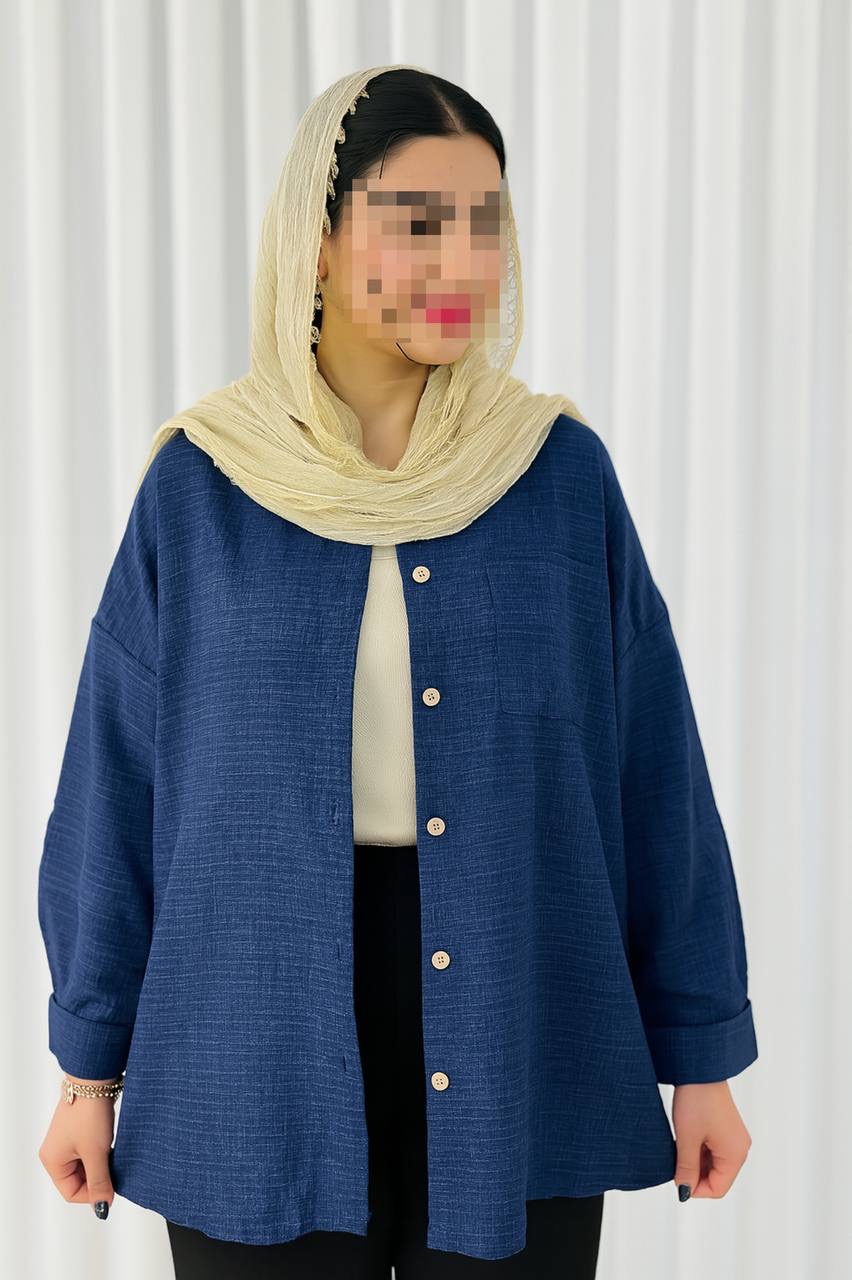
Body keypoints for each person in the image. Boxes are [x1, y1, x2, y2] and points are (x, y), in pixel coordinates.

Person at [36, 64, 757, 1279]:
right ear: (316, 242)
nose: (462, 259)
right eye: (419, 221)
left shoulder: (556, 476)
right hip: (246, 1043)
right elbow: (115, 792)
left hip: (520, 1015)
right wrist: (85, 1072)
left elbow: (655, 777)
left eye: (484, 223)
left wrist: (704, 1056)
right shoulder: (201, 487)